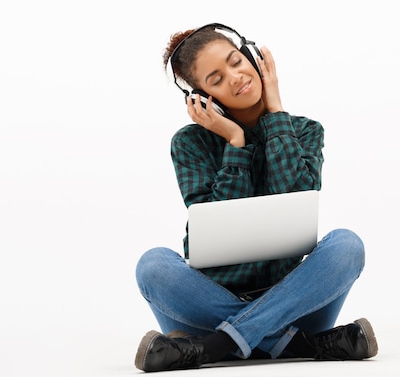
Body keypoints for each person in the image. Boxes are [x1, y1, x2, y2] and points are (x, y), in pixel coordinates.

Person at [134, 23, 378, 372]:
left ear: (252, 56)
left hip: (296, 300)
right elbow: (219, 223)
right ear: (203, 97)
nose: (234, 77)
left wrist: (276, 114)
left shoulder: (307, 131)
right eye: (216, 80)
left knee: (347, 246)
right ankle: (298, 346)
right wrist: (235, 142)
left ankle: (214, 348)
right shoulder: (190, 143)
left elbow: (294, 195)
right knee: (153, 265)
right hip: (210, 306)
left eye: (236, 61)